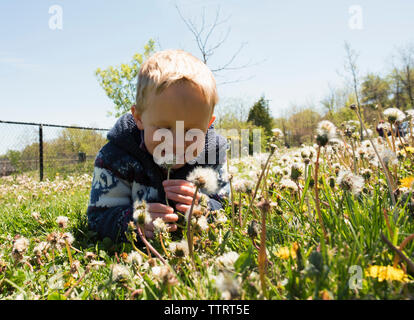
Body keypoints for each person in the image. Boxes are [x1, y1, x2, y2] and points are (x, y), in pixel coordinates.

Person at [87, 49, 229, 243]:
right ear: (138, 118)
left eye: (191, 131)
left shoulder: (211, 154)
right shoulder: (117, 156)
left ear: (208, 123)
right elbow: (99, 215)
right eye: (164, 128)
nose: (177, 143)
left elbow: (227, 205)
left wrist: (205, 208)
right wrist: (132, 222)